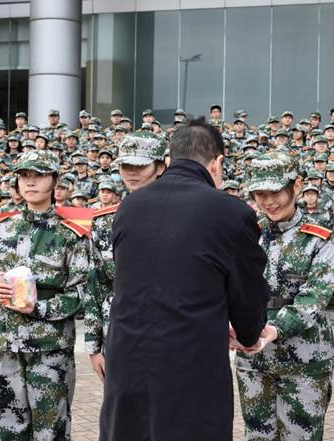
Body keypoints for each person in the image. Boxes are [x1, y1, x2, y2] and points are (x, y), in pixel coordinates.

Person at [100, 117, 270, 441]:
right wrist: (249, 334)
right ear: (217, 162)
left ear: (169, 160)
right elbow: (248, 295)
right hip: (191, 366)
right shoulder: (231, 212)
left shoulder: (130, 206)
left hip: (127, 362)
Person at [0, 150, 98, 441]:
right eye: (24, 176)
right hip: (6, 343)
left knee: (51, 428)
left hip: (49, 344)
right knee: (11, 427)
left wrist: (40, 308)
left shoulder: (70, 236)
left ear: (55, 181)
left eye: (39, 176)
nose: (30, 182)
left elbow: (82, 291)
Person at [236, 152, 334, 441]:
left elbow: (315, 296)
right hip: (254, 358)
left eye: (276, 192)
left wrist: (274, 329)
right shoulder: (247, 234)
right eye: (260, 194)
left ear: (297, 186)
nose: (269, 202)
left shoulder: (320, 238)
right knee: (257, 435)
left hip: (304, 358)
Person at [84, 132, 166, 381]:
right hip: (118, 334)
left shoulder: (179, 216)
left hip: (167, 334)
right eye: (125, 165)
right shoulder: (104, 222)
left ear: (160, 167)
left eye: (140, 166)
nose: (131, 172)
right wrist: (93, 347)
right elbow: (95, 283)